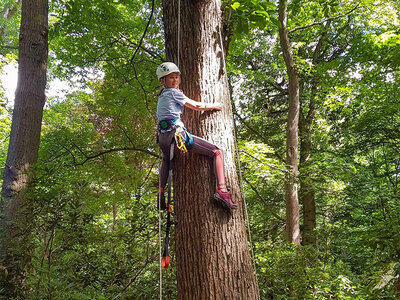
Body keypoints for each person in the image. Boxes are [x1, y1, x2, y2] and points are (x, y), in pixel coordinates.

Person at [156, 62, 237, 210]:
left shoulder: (162, 95)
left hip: (163, 136)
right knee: (217, 152)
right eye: (170, 78)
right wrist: (214, 106)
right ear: (163, 81)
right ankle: (223, 191)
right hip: (176, 134)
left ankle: (160, 193)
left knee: (166, 160)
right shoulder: (174, 93)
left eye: (176, 77)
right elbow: (196, 106)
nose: (175, 80)